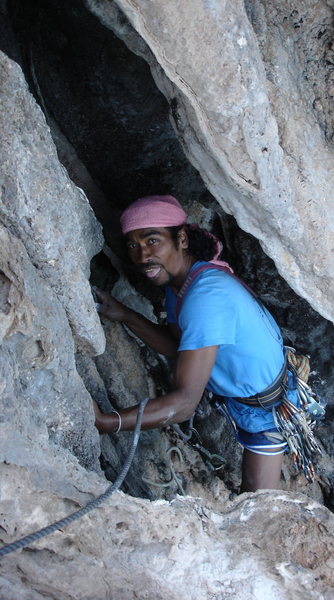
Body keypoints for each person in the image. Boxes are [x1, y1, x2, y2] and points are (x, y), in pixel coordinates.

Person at [93, 194, 301, 492]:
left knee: (259, 504)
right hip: (246, 399)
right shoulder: (183, 282)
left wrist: (106, 423)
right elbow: (180, 347)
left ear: (181, 238)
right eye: (132, 245)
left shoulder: (205, 298)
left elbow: (184, 405)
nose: (141, 256)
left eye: (152, 241)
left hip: (266, 410)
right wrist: (125, 315)